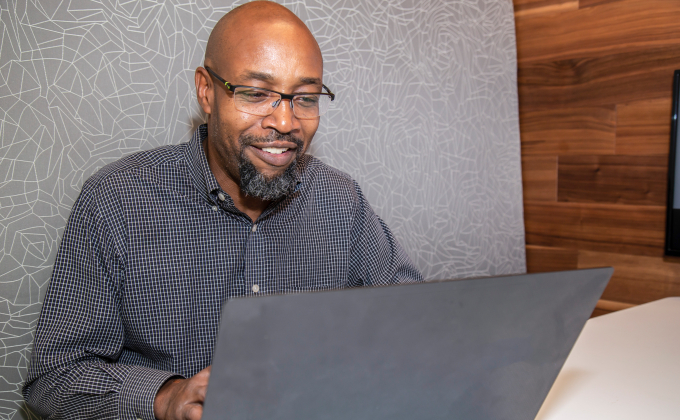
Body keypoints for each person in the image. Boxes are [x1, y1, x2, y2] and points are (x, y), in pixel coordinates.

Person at [22, 2, 423, 419]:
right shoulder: (117, 201)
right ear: (206, 92)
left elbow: (416, 326)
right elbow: (54, 378)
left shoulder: (342, 201)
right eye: (256, 93)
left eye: (305, 98)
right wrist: (166, 398)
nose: (285, 122)